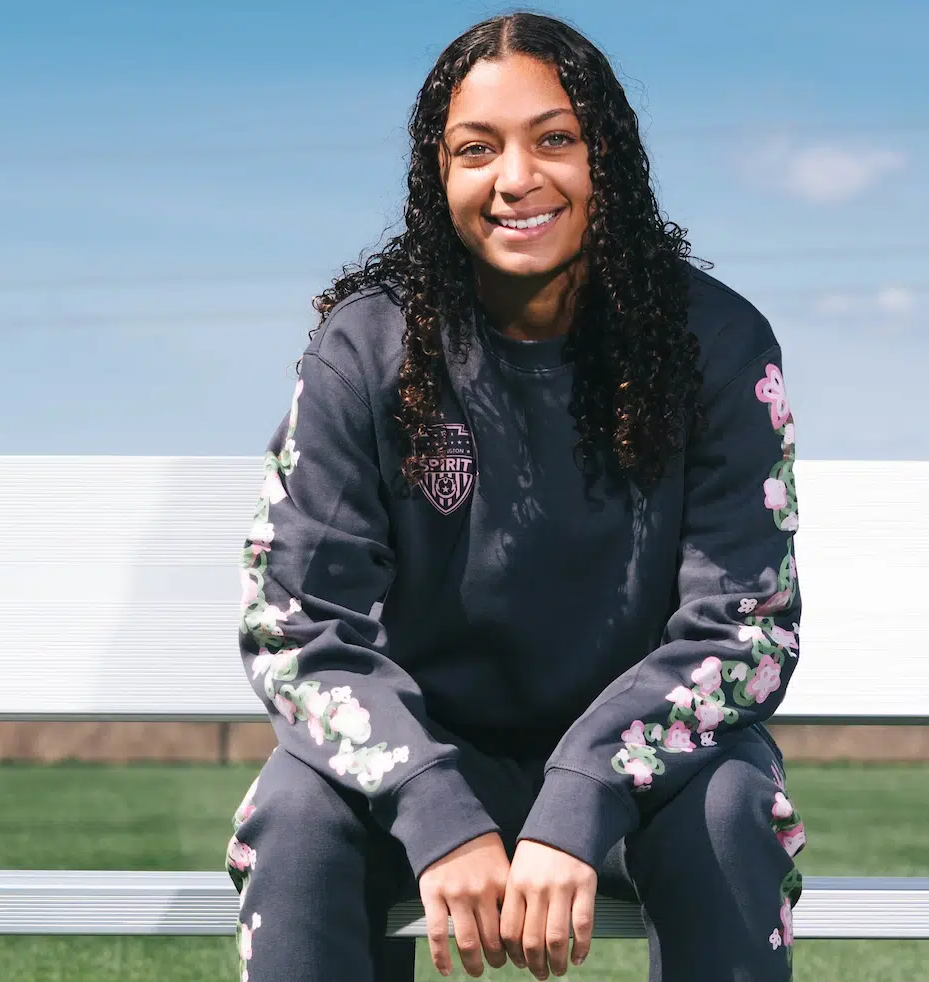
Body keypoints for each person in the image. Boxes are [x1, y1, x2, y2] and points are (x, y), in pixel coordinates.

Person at [226, 11, 805, 982]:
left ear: (606, 158)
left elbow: (743, 628)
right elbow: (295, 624)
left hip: (649, 768)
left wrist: (579, 798)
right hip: (417, 756)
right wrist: (434, 804)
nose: (515, 179)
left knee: (727, 816)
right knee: (296, 820)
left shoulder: (717, 344)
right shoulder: (365, 348)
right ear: (435, 174)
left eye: (555, 139)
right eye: (475, 149)